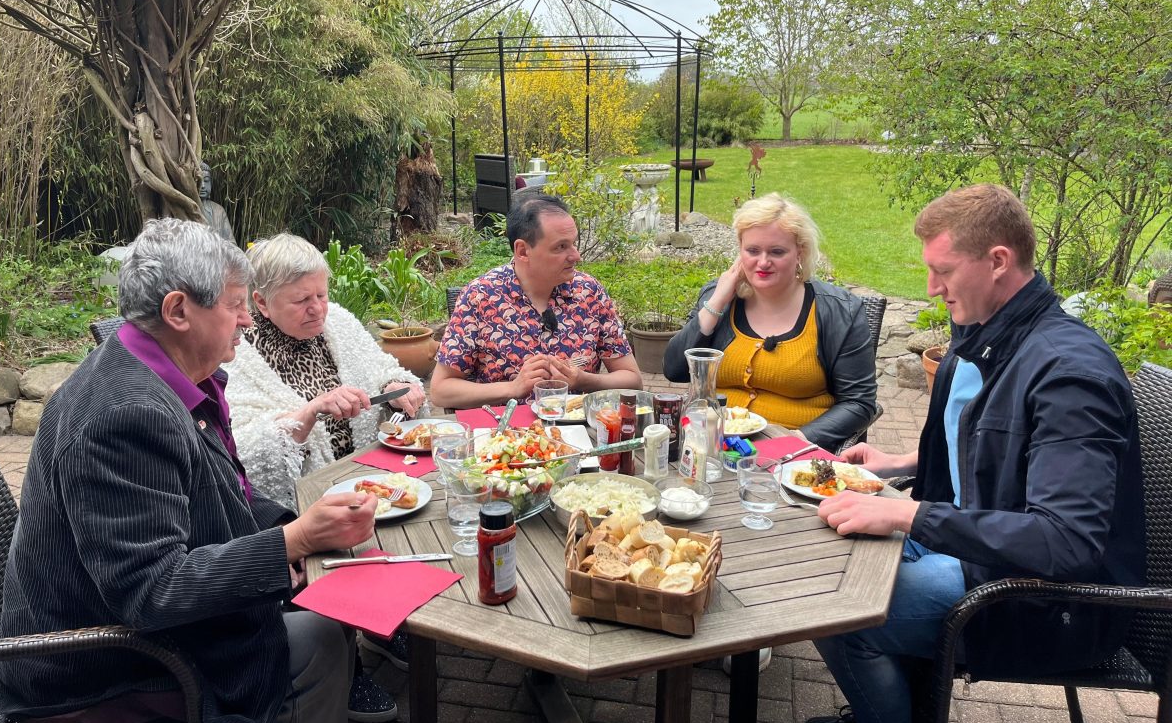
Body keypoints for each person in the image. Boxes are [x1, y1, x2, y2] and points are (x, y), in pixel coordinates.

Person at [0, 219, 386, 723]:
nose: (249, 320)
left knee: (328, 590)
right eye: (235, 305)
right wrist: (296, 541)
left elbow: (220, 499)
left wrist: (299, 529)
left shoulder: (166, 373)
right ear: (178, 310)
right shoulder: (123, 416)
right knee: (316, 637)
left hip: (122, 622)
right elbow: (152, 592)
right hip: (90, 665)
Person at [800, 185, 1146, 723]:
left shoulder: (1070, 375)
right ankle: (882, 717)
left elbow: (1067, 542)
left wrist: (909, 518)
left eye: (943, 271)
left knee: (835, 612)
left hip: (1043, 600)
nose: (932, 288)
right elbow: (1000, 447)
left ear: (998, 261)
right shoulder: (994, 333)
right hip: (975, 548)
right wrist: (901, 463)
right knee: (825, 546)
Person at [225, 233, 426, 511]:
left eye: (321, 294)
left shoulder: (339, 321)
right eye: (301, 300)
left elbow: (384, 368)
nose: (318, 309)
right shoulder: (236, 354)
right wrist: (307, 414)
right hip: (309, 509)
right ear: (261, 303)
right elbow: (240, 452)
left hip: (378, 485)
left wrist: (394, 387)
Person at [664, 193, 876, 448]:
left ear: (800, 252)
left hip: (793, 456)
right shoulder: (719, 299)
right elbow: (674, 370)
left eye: (777, 251)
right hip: (710, 446)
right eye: (752, 250)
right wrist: (717, 301)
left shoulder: (839, 311)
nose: (763, 262)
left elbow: (859, 403)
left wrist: (794, 440)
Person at [431, 192, 642, 409]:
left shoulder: (589, 293)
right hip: (504, 436)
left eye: (573, 243)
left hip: (577, 435)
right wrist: (512, 388)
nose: (576, 256)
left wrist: (584, 380)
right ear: (523, 251)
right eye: (561, 247)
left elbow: (632, 380)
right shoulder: (481, 297)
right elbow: (441, 391)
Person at [198, 160, 235, 244]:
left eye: (206, 181)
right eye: (199, 181)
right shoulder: (186, 208)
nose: (203, 186)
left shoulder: (218, 210)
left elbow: (231, 243)